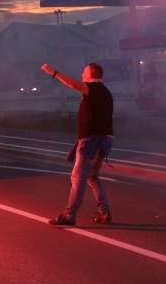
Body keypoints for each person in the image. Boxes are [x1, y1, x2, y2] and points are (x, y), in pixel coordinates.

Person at [41, 62, 114, 226]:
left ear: (91, 74)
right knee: (92, 177)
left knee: (78, 177)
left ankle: (69, 215)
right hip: (105, 140)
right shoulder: (106, 92)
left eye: (84, 72)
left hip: (91, 141)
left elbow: (73, 84)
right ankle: (104, 212)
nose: (82, 74)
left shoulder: (93, 88)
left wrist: (53, 72)